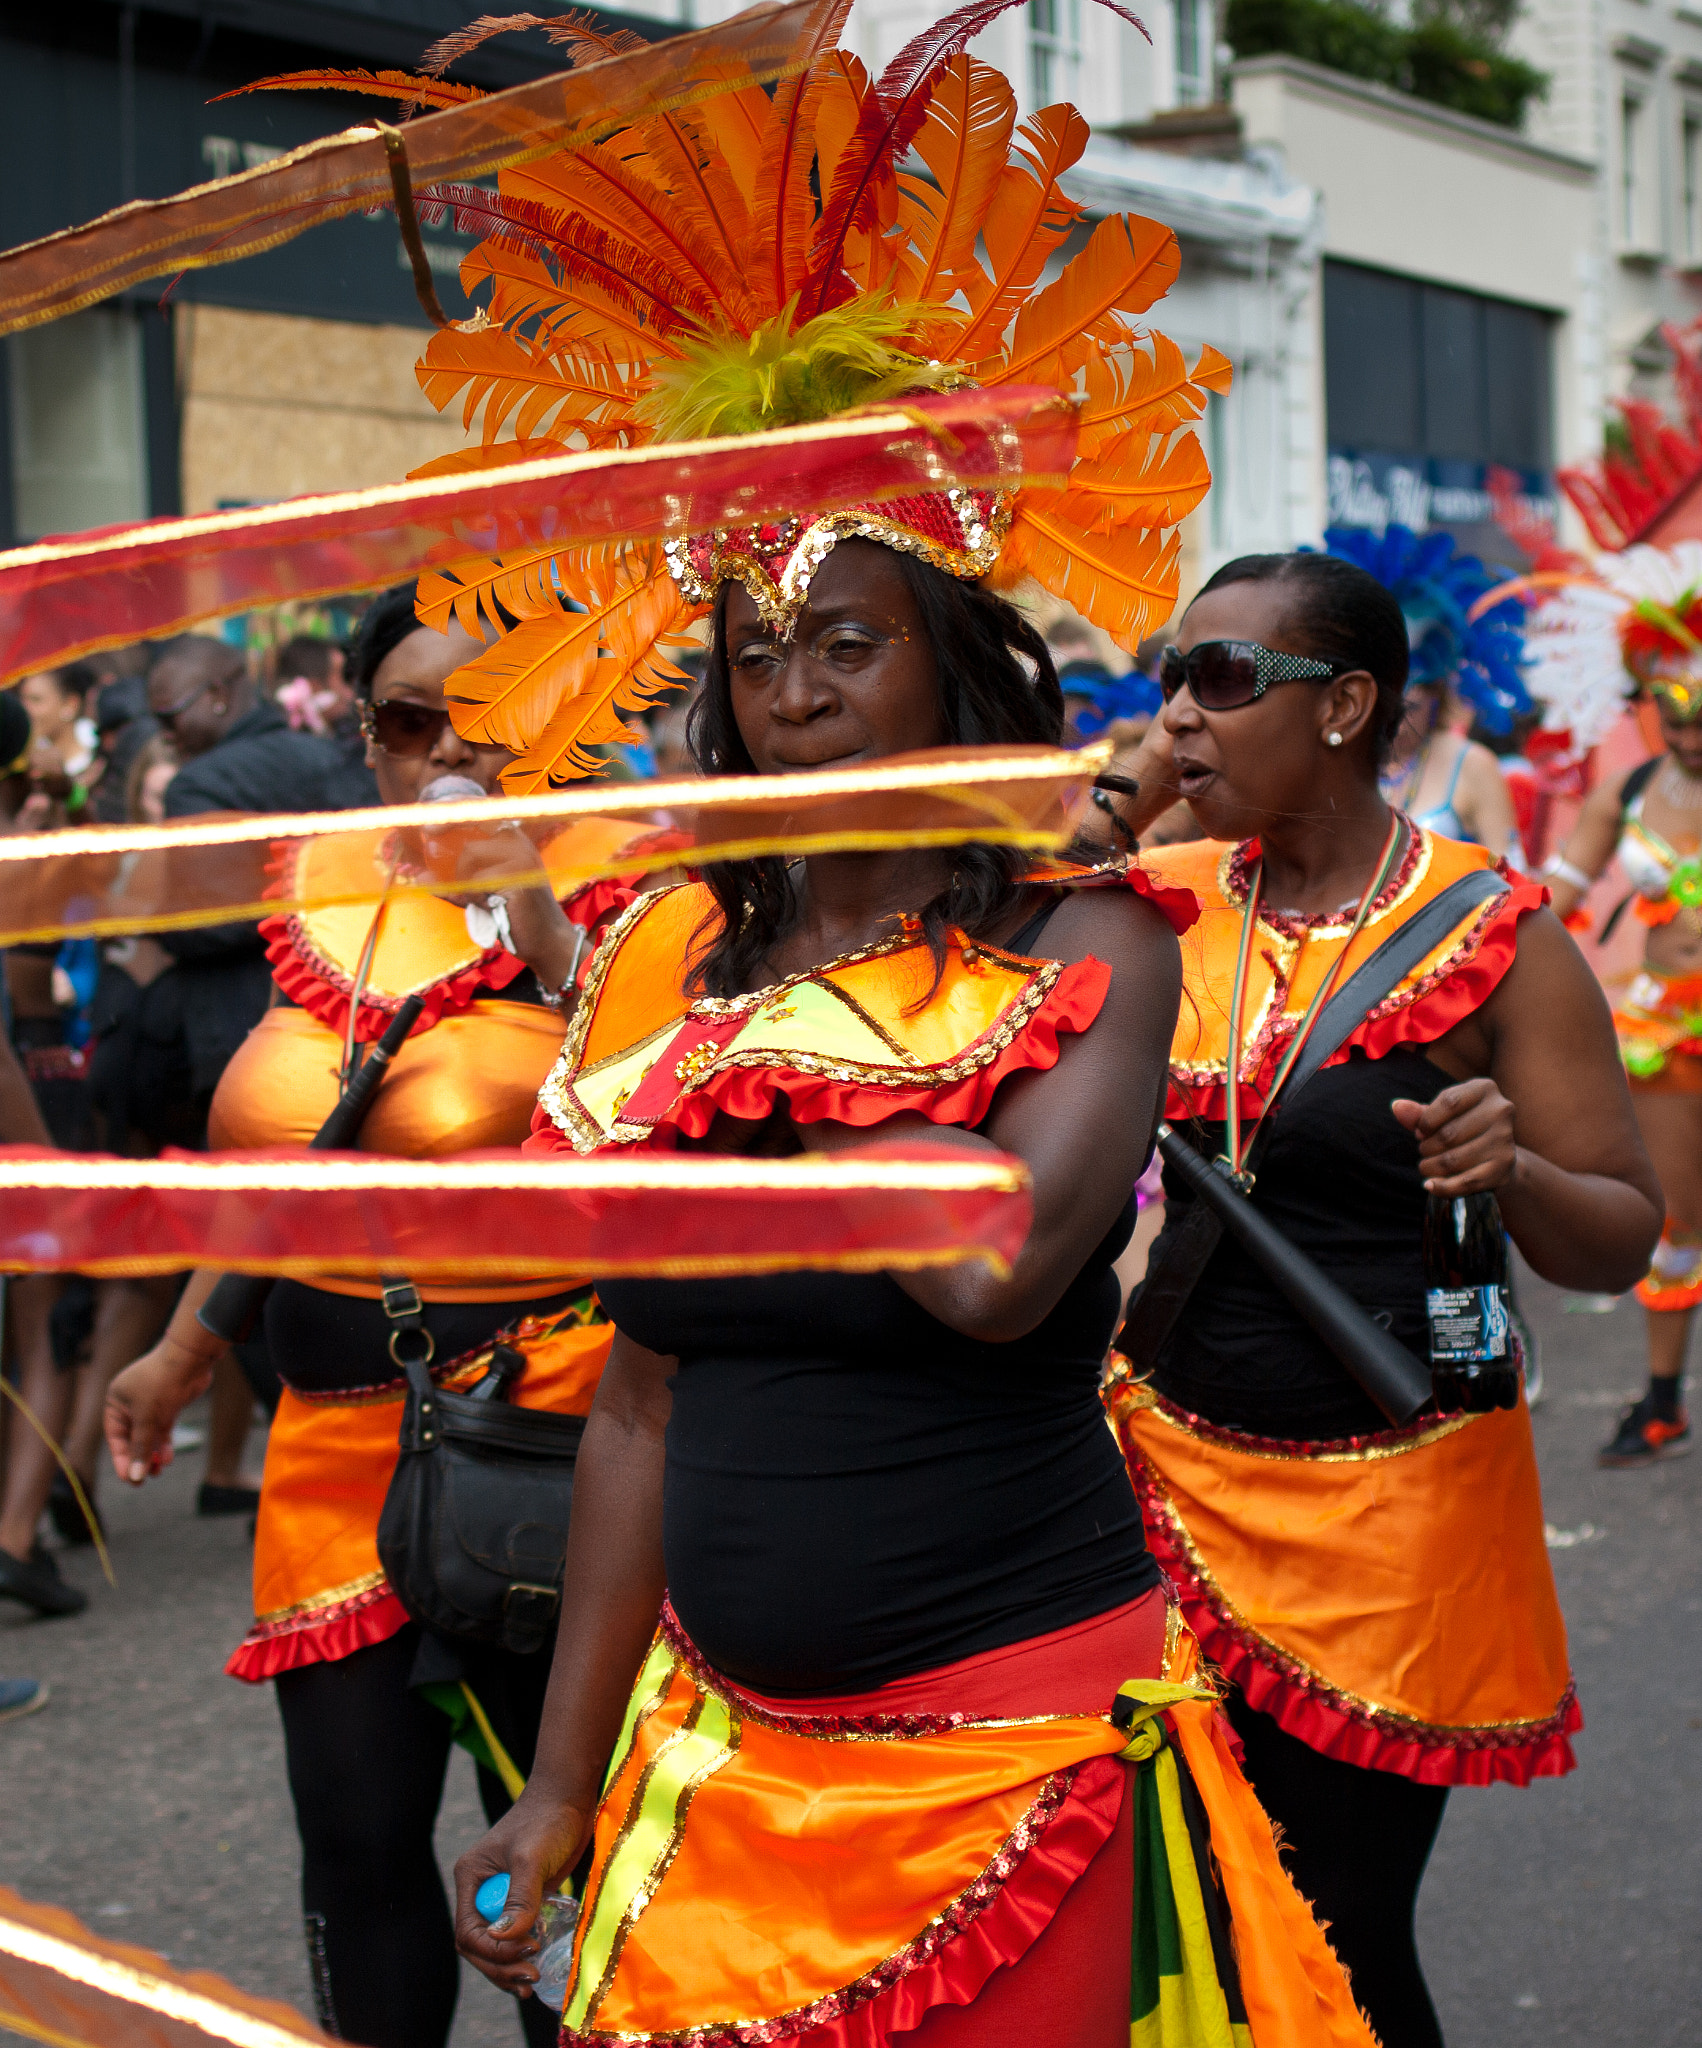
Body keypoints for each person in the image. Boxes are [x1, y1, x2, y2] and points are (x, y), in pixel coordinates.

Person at [419, 28, 1371, 2038]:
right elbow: (639, 1401)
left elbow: (994, 1266)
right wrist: (569, 1778)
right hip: (723, 1753)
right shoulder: (673, 953)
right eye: (756, 655)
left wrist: (774, 1081)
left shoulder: (1082, 931)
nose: (795, 692)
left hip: (1006, 1750)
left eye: (845, 644)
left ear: (953, 664)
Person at [1087, 550, 1662, 2048]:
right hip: (1155, 1480)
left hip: (1389, 1525)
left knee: (1325, 1922)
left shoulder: (1492, 937)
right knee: (1169, 1907)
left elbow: (1616, 1233)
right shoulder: (1160, 901)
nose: (1179, 716)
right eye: (1168, 681)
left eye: (1219, 681)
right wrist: (1124, 796)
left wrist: (1510, 1167)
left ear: (1343, 706)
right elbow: (961, 936)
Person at [105, 583, 649, 2048]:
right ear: (364, 729)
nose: (444, 756)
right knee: (352, 1840)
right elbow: (306, 1160)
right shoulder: (321, 874)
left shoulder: (624, 880)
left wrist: (526, 894)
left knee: (542, 1848)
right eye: (411, 723)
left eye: (485, 720)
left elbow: (652, 1103)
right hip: (331, 1440)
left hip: (544, 1419)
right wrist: (183, 1347)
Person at [1544, 676, 1702, 1464]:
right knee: (1677, 1217)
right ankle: (1665, 1399)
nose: (1692, 740)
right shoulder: (1631, 788)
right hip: (1665, 1029)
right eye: (1676, 723)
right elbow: (1556, 891)